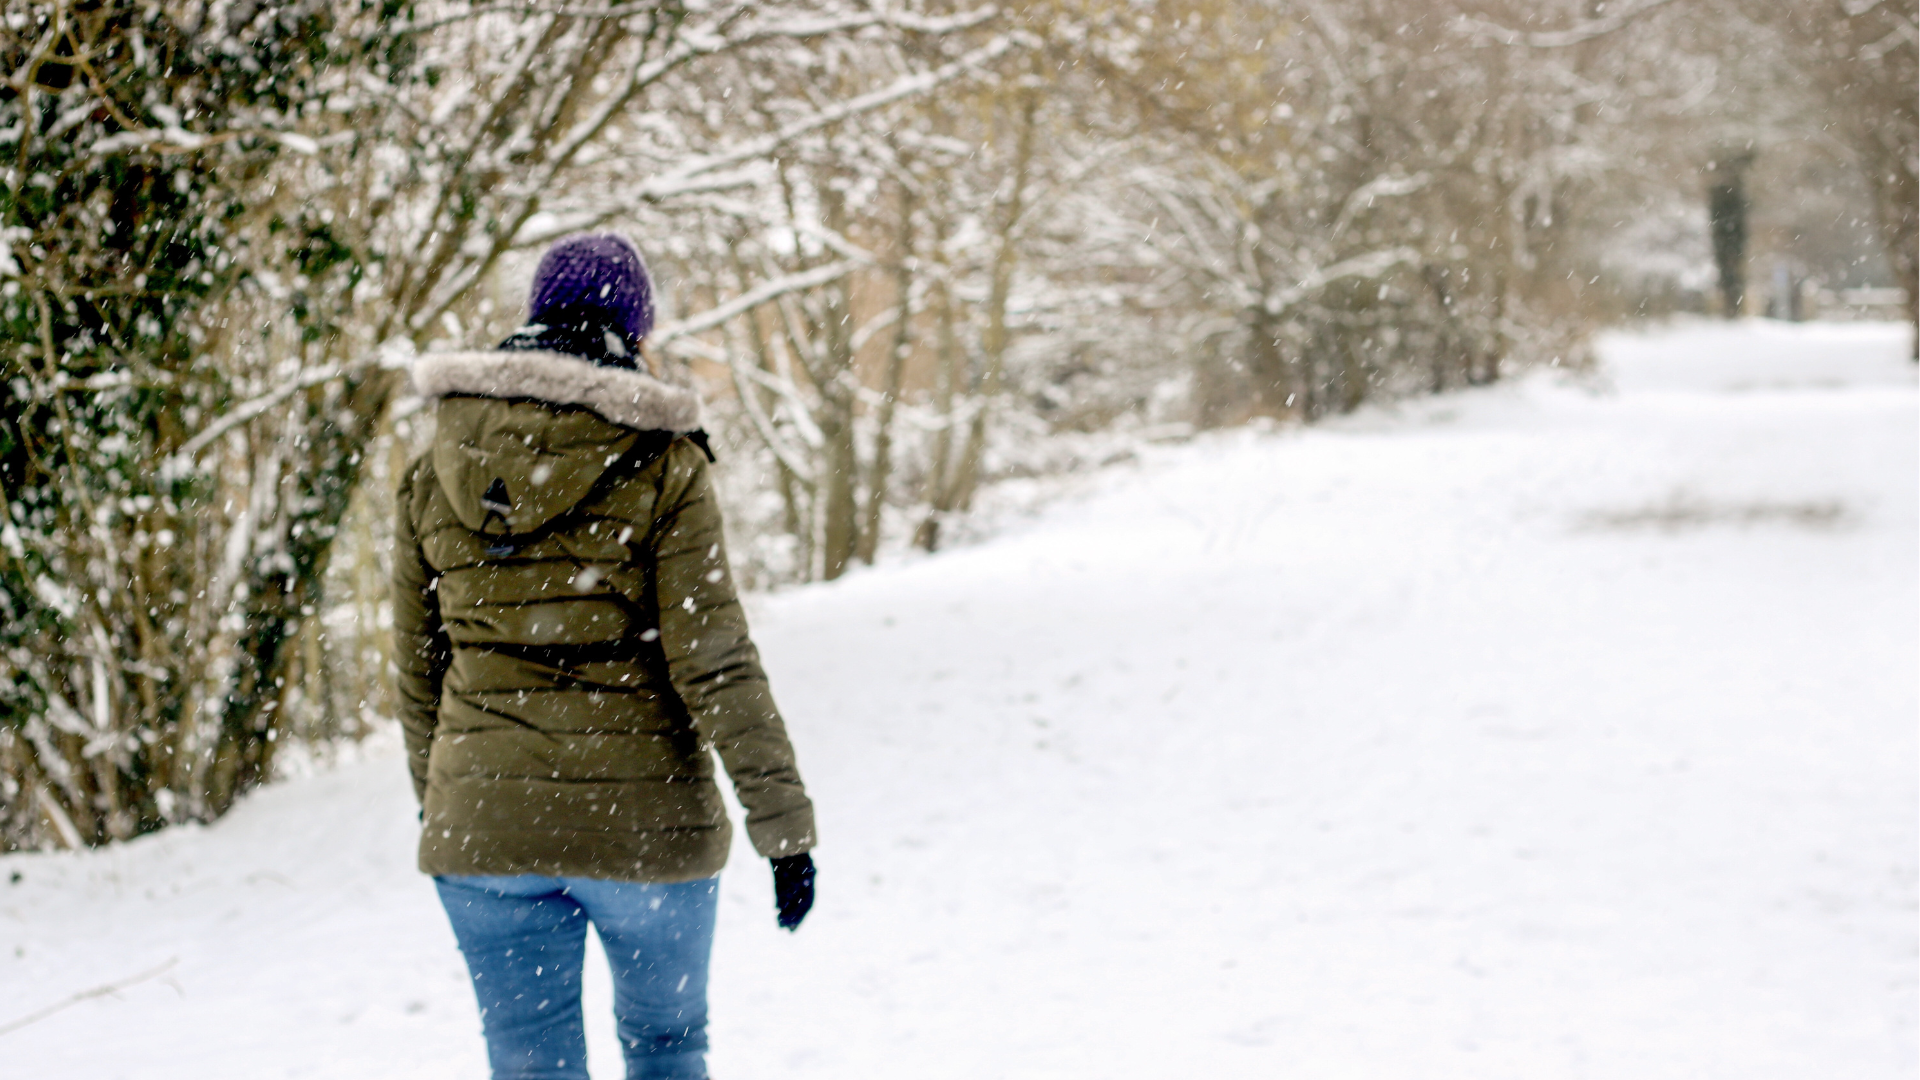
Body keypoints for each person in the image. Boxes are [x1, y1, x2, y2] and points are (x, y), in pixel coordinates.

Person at [392, 232, 817, 1080]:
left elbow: (417, 667)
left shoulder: (435, 465)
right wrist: (783, 827)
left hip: (485, 829)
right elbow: (715, 658)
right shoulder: (662, 464)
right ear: (636, 331)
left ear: (536, 319)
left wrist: (444, 799)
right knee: (666, 1047)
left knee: (528, 1058)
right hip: (645, 832)